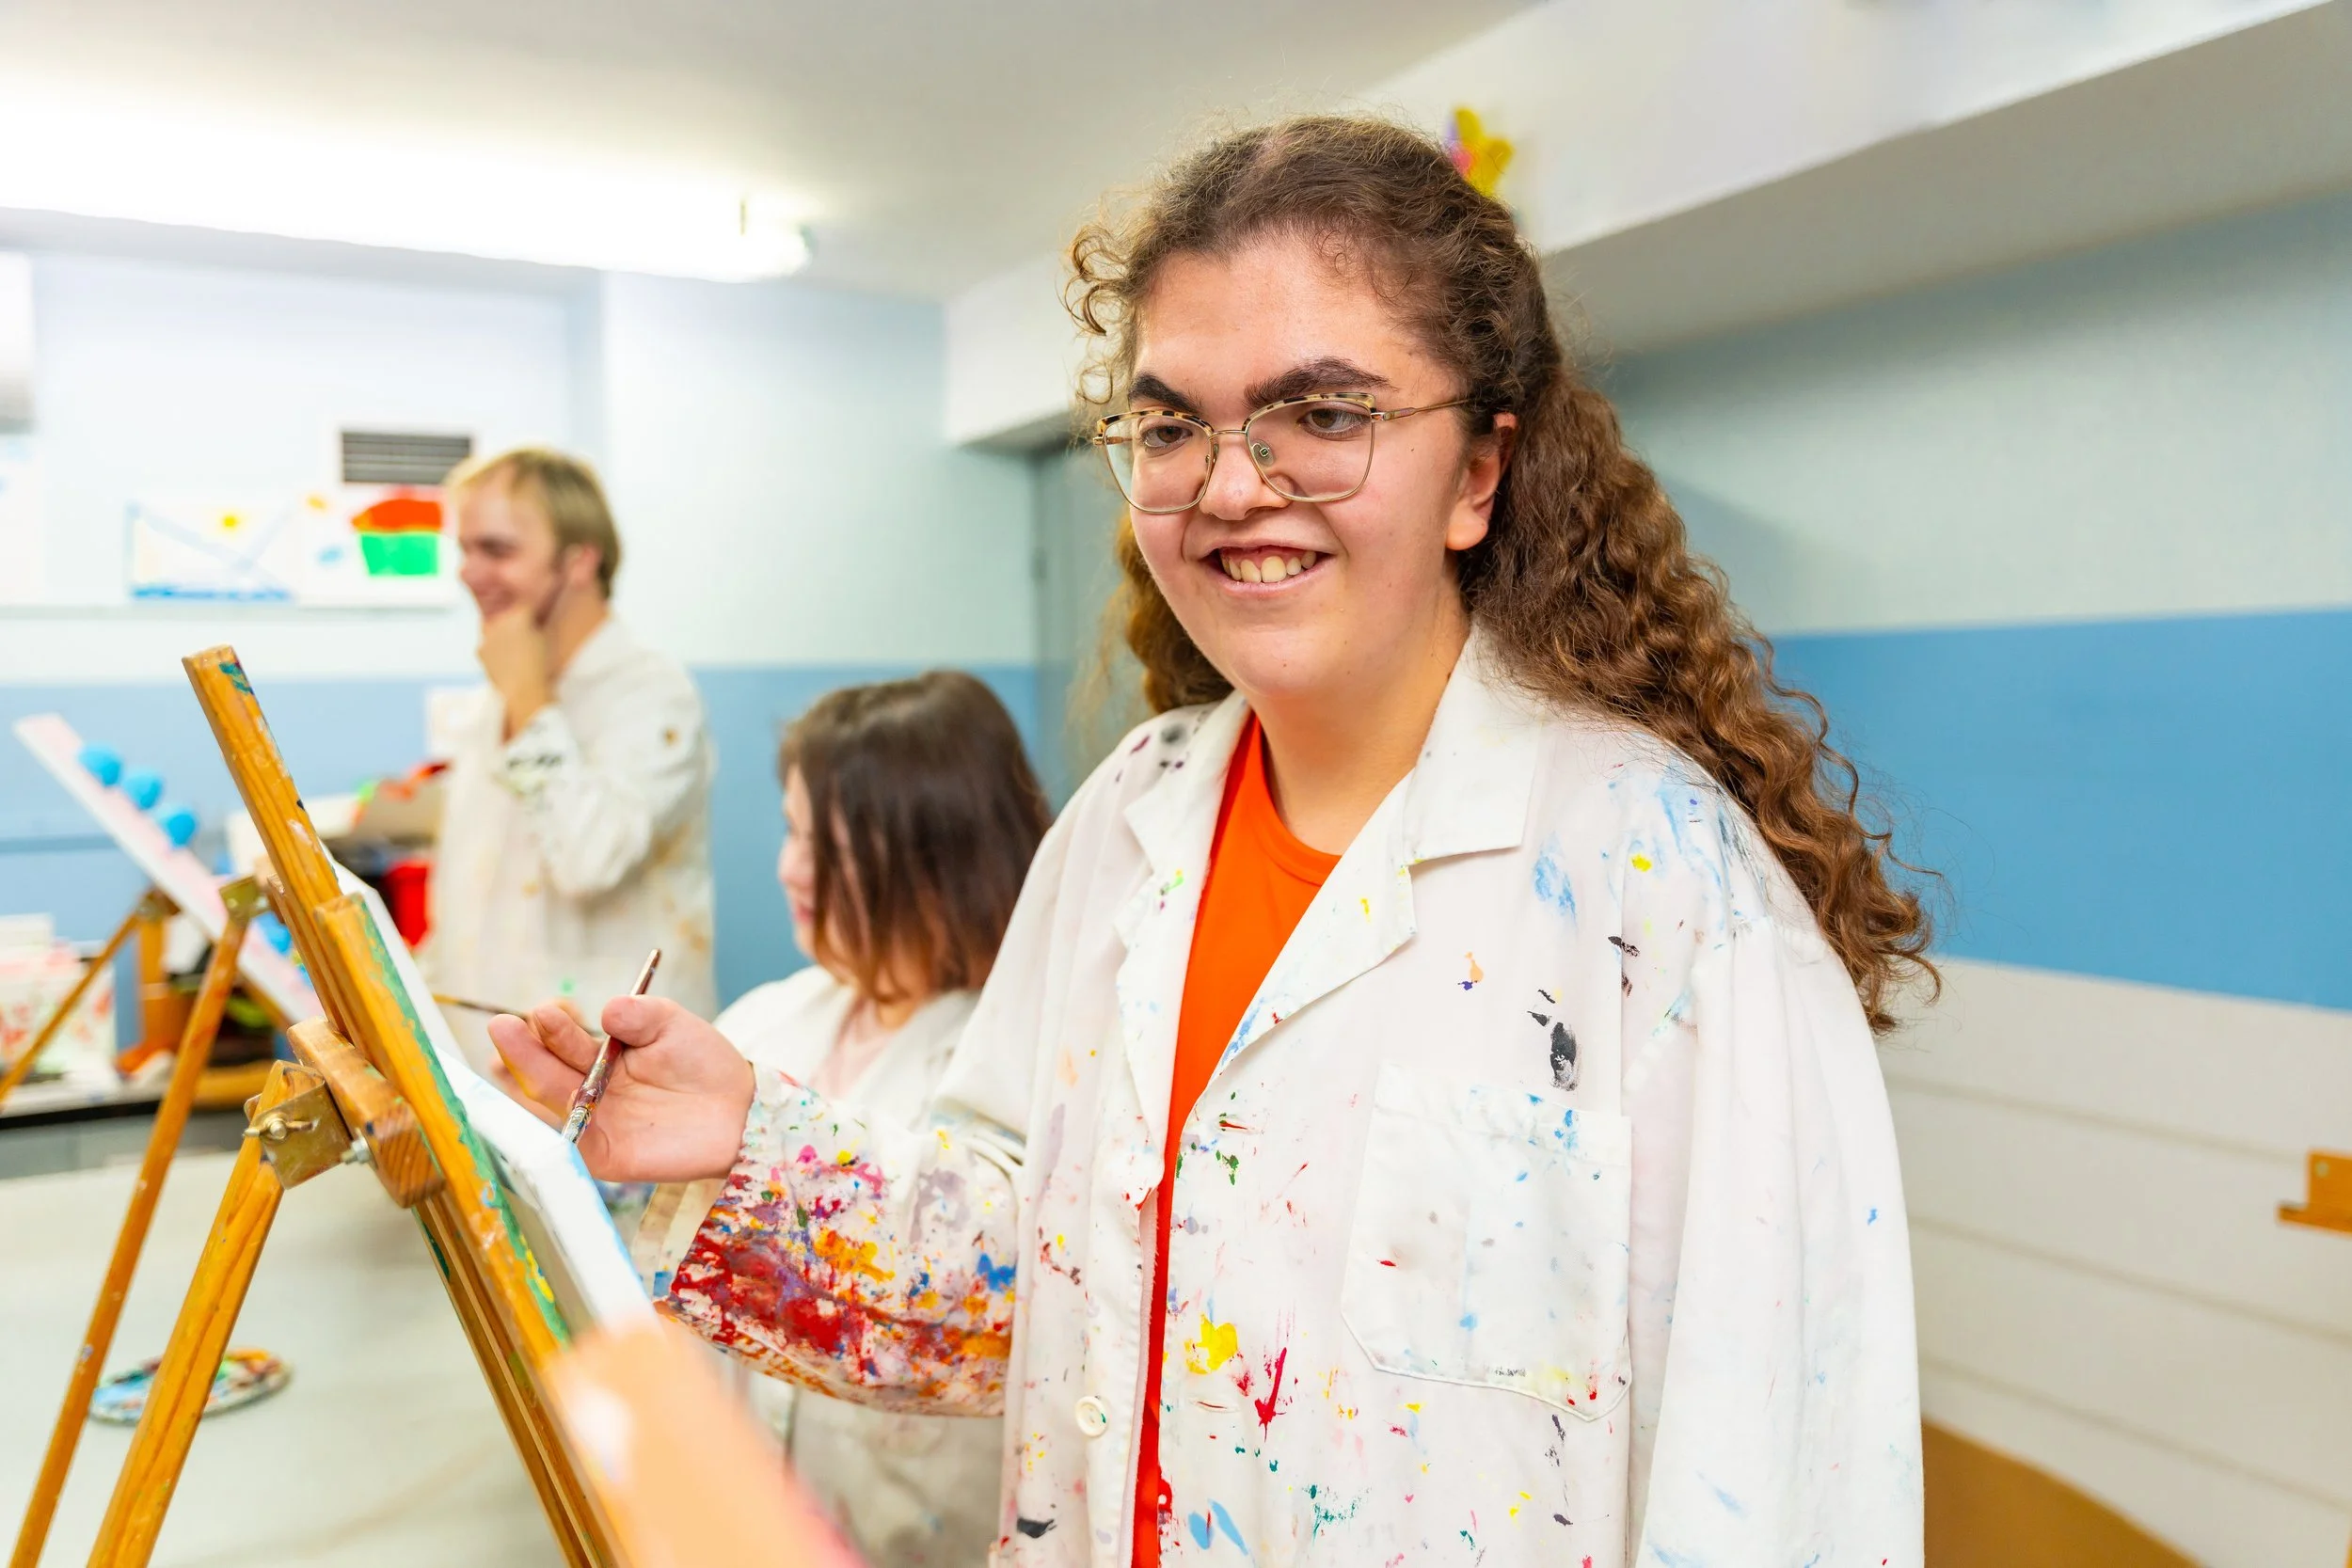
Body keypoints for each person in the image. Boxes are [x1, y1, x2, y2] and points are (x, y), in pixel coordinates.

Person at [494, 117, 1933, 1567]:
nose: (1233, 485)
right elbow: (1030, 1276)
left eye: (1324, 413)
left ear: (1480, 473)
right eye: (1173, 423)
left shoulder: (1663, 887)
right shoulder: (1129, 819)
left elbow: (1782, 1470)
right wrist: (752, 1142)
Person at [633, 671, 1052, 1568]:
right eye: (791, 830)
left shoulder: (1027, 1059)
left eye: (828, 843)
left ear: (936, 851)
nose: (789, 868)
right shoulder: (765, 1022)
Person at [426, 446, 716, 1067]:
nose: (470, 573)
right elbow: (464, 893)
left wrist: (530, 703)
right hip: (491, 1065)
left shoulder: (652, 693)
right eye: (465, 549)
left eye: (497, 550)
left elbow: (589, 861)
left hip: (614, 1074)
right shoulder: (495, 700)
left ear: (580, 560)